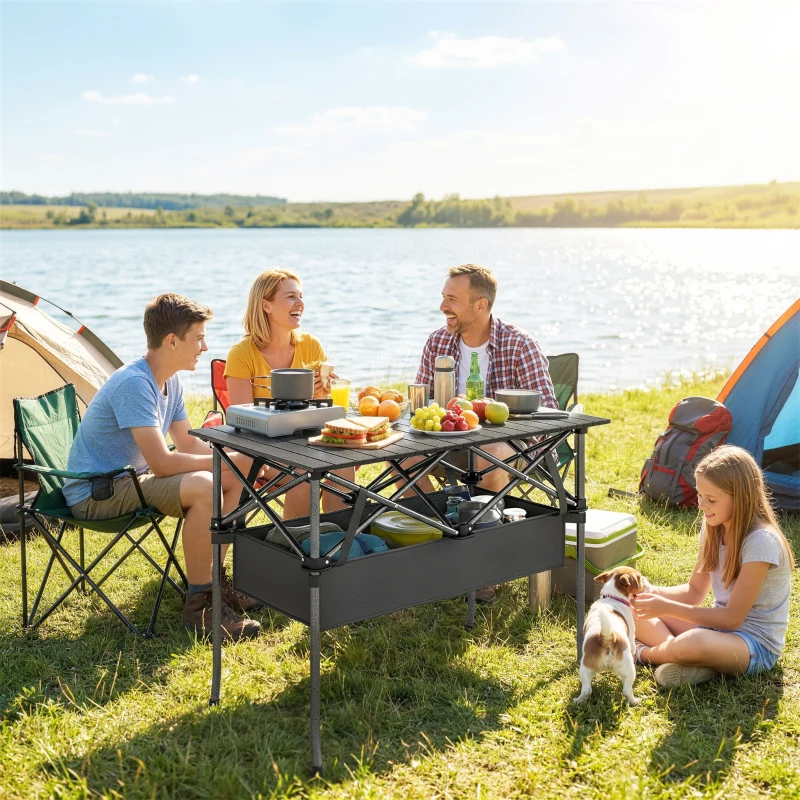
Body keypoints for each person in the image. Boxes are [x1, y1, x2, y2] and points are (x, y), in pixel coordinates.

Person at [64, 294, 262, 642]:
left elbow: (186, 444)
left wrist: (234, 462)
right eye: (198, 338)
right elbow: (162, 462)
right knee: (206, 483)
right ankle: (200, 608)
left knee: (234, 479)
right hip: (96, 492)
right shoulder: (135, 384)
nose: (205, 346)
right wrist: (225, 461)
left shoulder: (170, 381)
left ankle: (213, 584)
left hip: (132, 481)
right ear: (172, 341)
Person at [414, 263, 558, 603]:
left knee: (489, 454)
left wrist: (486, 413)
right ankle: (435, 546)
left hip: (513, 448)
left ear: (480, 305)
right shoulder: (437, 342)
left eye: (452, 299)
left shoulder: (519, 344)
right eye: (443, 297)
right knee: (401, 460)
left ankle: (481, 567)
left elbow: (548, 415)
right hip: (449, 443)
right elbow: (420, 405)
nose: (442, 307)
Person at [633, 445, 794, 688]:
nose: (700, 505)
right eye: (699, 495)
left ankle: (643, 654)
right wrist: (653, 593)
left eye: (711, 499)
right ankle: (685, 661)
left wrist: (665, 607)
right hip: (716, 629)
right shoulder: (712, 527)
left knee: (694, 642)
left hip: (753, 645)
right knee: (634, 610)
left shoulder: (761, 540)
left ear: (742, 498)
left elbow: (732, 618)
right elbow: (694, 592)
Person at [225, 268, 354, 517]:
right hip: (262, 450)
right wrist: (296, 403)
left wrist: (321, 395)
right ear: (266, 305)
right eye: (291, 297)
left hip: (308, 442)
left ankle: (340, 544)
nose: (301, 303)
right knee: (304, 475)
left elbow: (324, 414)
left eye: (301, 296)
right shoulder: (242, 354)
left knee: (343, 468)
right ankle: (297, 548)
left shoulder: (311, 346)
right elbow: (244, 420)